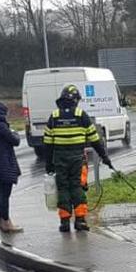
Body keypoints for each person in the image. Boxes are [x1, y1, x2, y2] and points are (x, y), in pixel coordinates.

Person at [43, 85, 111, 233]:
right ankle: (80, 220)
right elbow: (95, 140)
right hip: (77, 159)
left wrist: (48, 164)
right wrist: (105, 157)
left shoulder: (54, 116)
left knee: (63, 189)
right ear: (75, 100)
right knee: (77, 187)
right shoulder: (81, 115)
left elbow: (47, 144)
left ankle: (64, 222)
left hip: (59, 159)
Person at [0, 101, 23, 233]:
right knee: (4, 194)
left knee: (0, 193)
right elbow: (15, 141)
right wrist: (15, 132)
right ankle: (6, 223)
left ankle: (3, 221)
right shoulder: (1, 126)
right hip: (4, 165)